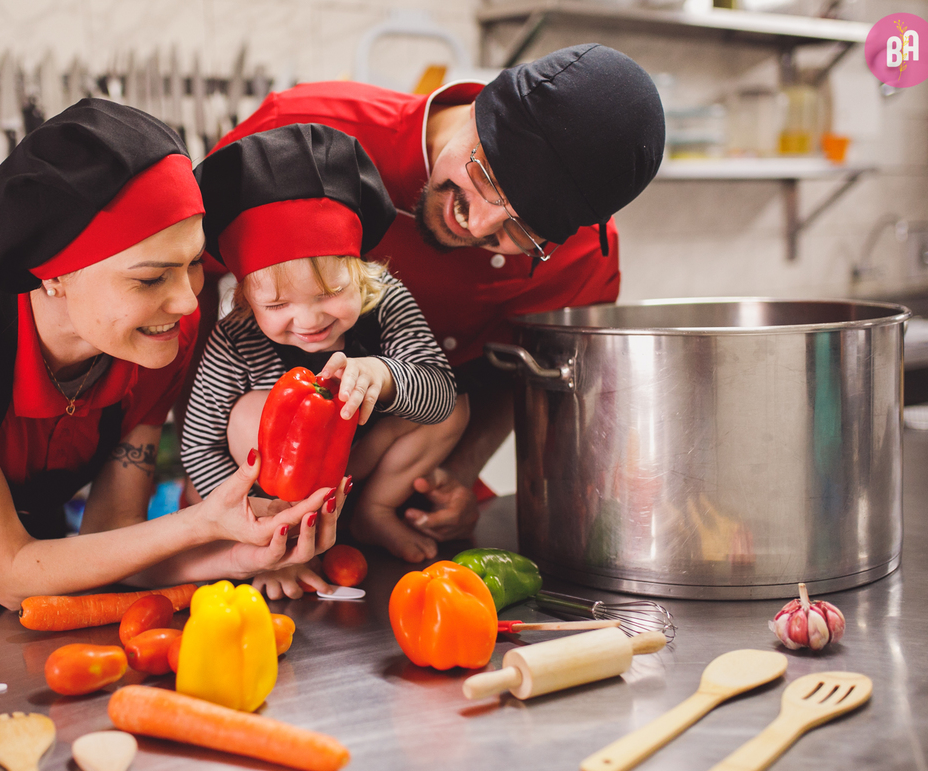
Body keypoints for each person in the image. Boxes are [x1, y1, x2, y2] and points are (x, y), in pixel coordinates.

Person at [0, 99, 343, 635]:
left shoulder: (154, 335)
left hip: (40, 596)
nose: (185, 301)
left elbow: (114, 538)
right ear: (53, 275)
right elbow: (10, 572)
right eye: (151, 278)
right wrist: (201, 522)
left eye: (193, 263)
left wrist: (241, 555)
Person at [203, 43, 665, 544]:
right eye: (487, 172)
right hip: (266, 466)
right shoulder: (298, 131)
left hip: (406, 472)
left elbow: (526, 373)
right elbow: (188, 281)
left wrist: (458, 477)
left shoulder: (581, 259)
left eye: (525, 229)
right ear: (480, 106)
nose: (477, 222)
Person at [181, 124, 468, 592]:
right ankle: (288, 542)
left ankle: (373, 511)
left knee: (455, 407)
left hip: (358, 471)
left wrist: (383, 375)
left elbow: (438, 394)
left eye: (331, 292)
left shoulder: (388, 301)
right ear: (247, 300)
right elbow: (199, 447)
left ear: (361, 272)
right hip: (269, 498)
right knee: (249, 413)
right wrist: (260, 533)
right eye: (277, 306)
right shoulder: (236, 337)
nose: (309, 319)